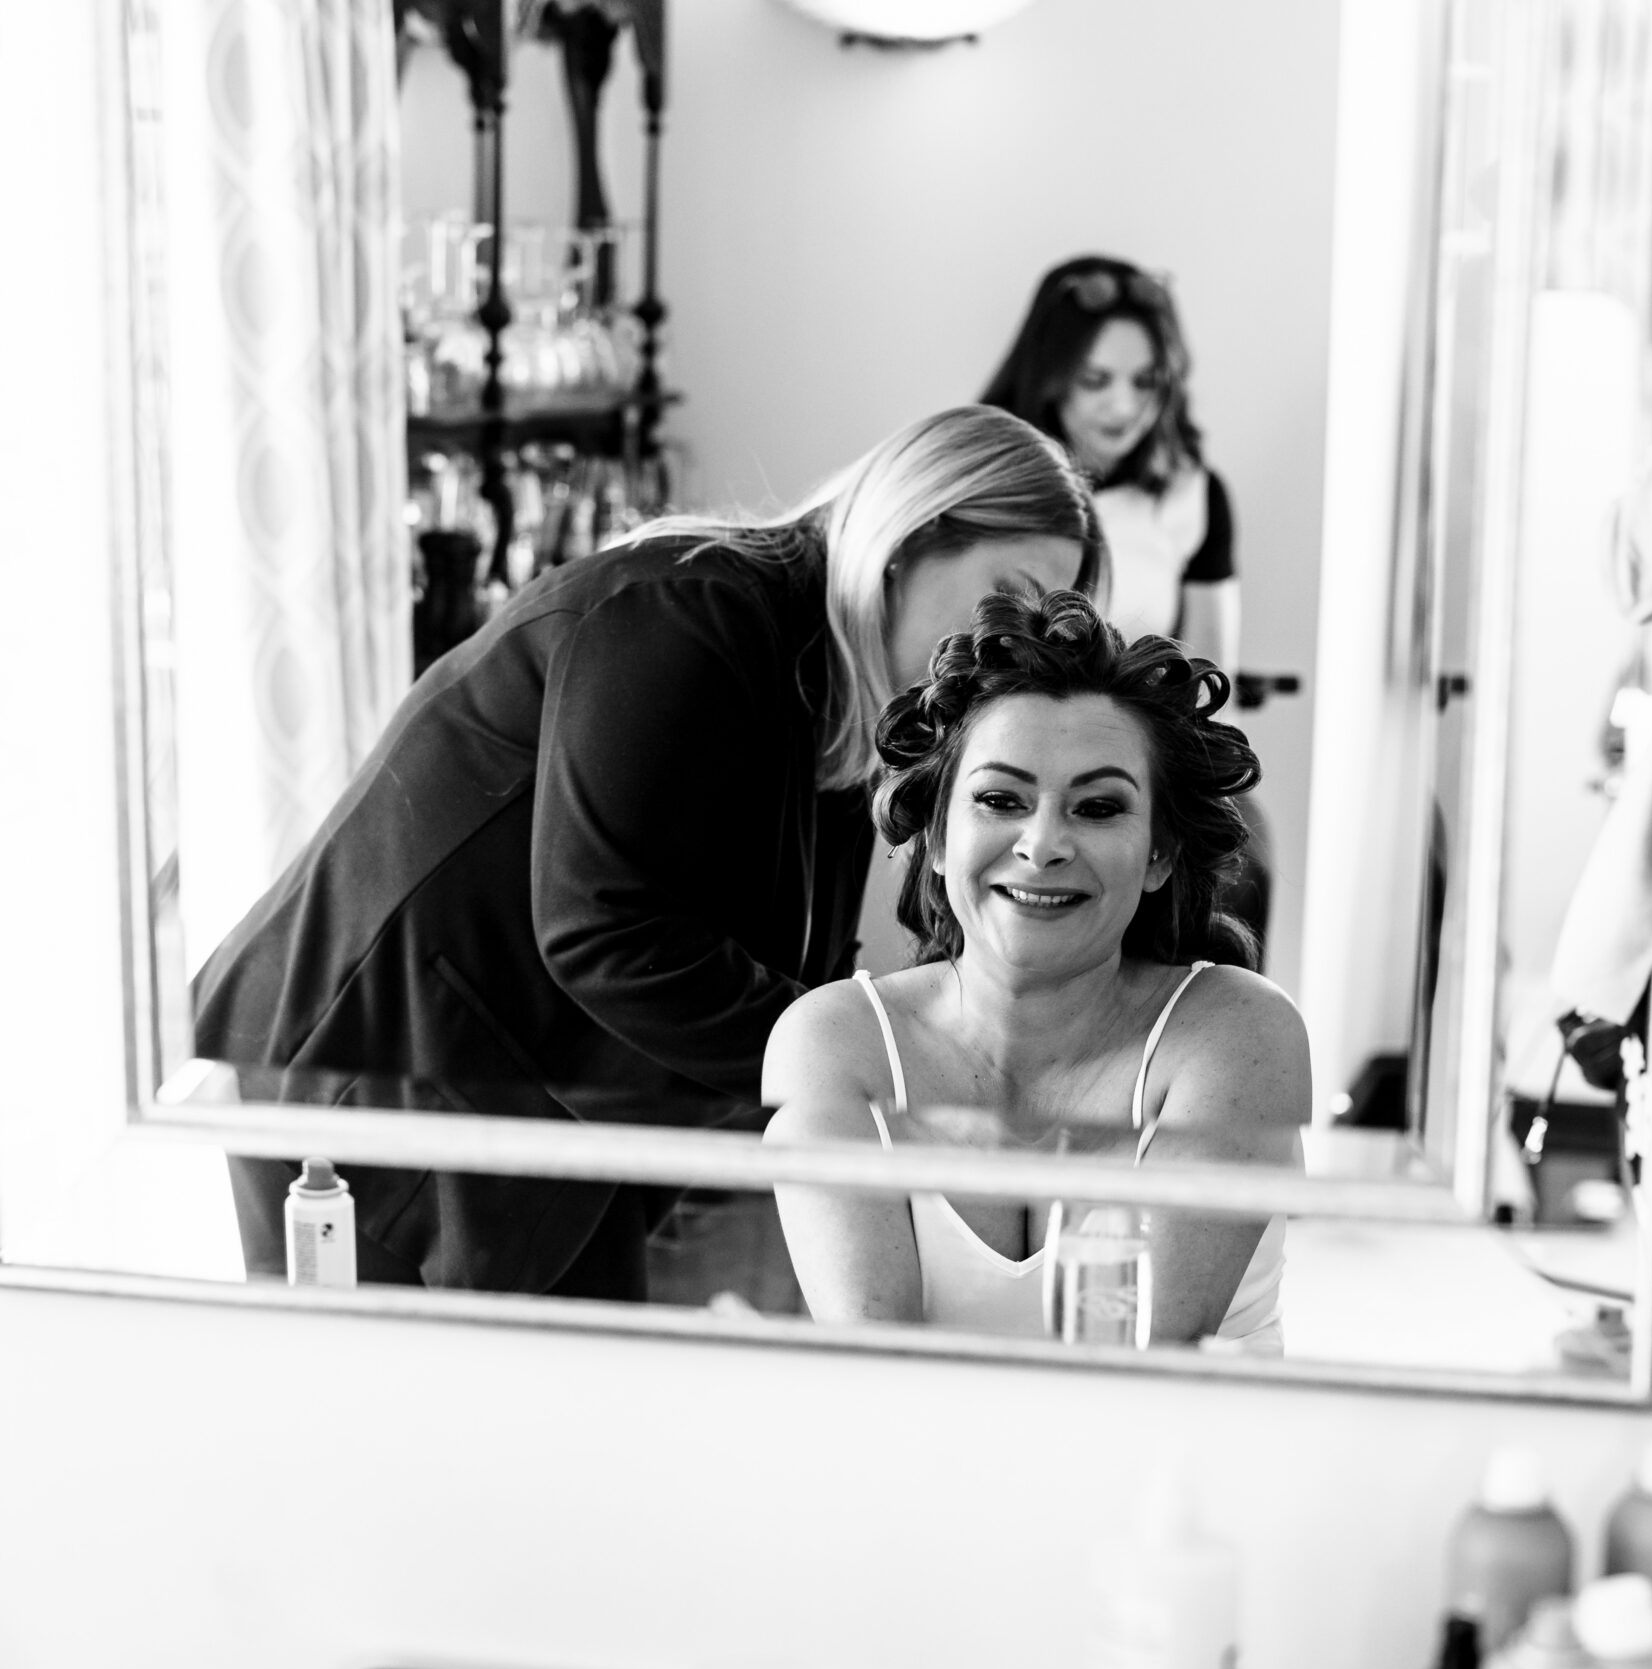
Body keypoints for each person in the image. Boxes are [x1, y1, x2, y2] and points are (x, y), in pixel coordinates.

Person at [193, 408, 1102, 1297]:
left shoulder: (831, 691)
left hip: (506, 1088)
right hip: (369, 1060)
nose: (1002, 653)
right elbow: (603, 931)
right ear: (908, 539)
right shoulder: (688, 610)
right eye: (1005, 602)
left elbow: (811, 970)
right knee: (428, 1426)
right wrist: (888, 1074)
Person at [762, 588, 1311, 1348]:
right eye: (999, 799)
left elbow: (1139, 1365)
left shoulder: (1239, 1035)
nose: (1043, 843)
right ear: (939, 838)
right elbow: (877, 1379)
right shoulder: (834, 1043)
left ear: (1159, 854)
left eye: (1097, 808)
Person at [980, 257, 1239, 670]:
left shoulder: (1193, 495)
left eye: (1146, 382)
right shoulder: (983, 483)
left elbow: (1212, 687)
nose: (1124, 407)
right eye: (1095, 381)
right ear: (1049, 378)